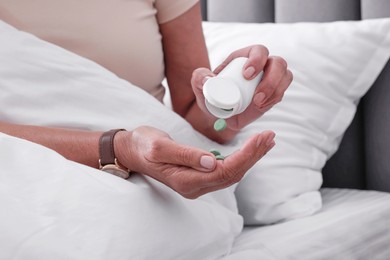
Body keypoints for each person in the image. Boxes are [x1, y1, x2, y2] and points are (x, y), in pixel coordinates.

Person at [0, 0, 292, 199]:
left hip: (152, 182)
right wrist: (118, 149)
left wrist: (226, 113)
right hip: (20, 185)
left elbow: (196, 119)